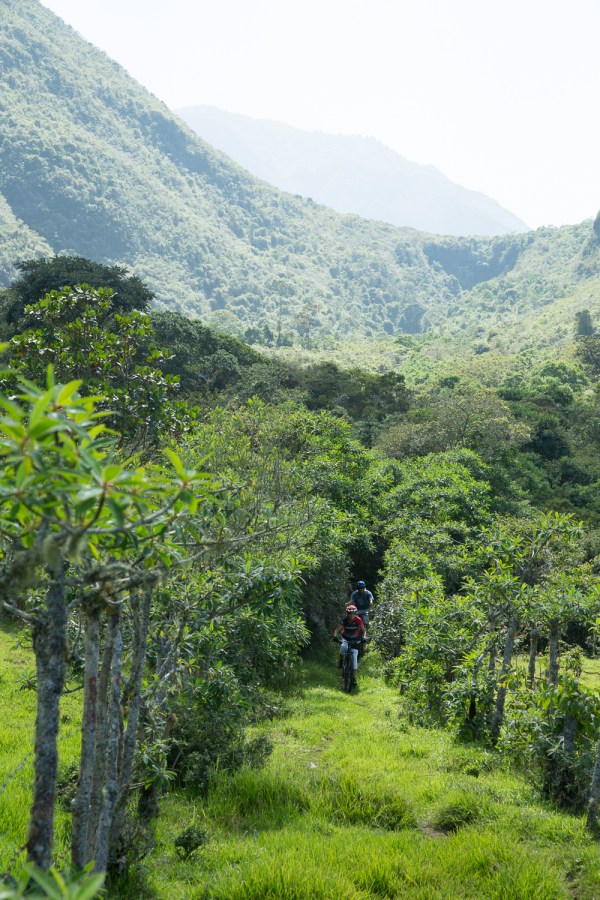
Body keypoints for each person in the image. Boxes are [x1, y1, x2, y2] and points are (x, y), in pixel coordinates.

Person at [333, 604, 366, 687]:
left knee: (354, 658)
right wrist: (335, 636)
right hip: (345, 638)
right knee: (343, 647)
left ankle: (353, 678)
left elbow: (364, 631)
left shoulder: (358, 620)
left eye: (353, 613)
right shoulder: (344, 620)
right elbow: (337, 629)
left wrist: (364, 638)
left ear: (355, 613)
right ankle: (341, 661)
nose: (351, 615)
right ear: (347, 614)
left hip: (355, 639)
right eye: (349, 614)